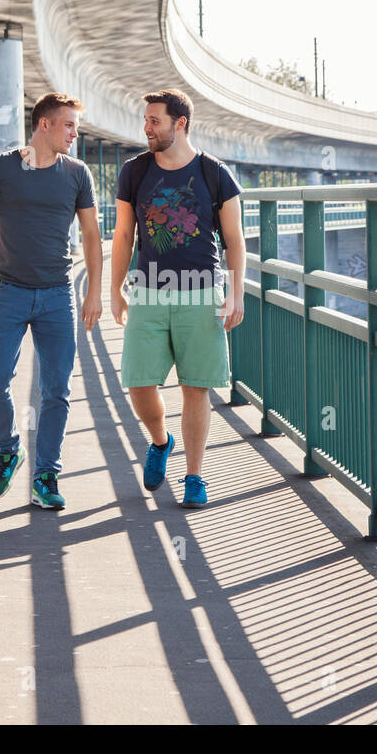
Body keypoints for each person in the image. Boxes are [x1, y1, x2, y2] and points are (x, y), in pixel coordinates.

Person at [0, 93, 103, 510]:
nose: (75, 133)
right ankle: (8, 450)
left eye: (76, 126)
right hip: (7, 290)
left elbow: (91, 235)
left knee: (57, 389)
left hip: (58, 292)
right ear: (45, 125)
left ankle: (46, 475)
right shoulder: (3, 168)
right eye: (69, 125)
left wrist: (93, 290)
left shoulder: (77, 174)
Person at [110, 88, 244, 508]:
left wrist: (235, 293)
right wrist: (114, 289)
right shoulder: (134, 172)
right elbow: (123, 235)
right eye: (146, 120)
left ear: (179, 123)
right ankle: (159, 440)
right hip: (149, 291)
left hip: (202, 292)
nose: (146, 128)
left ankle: (194, 476)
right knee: (137, 381)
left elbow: (234, 241)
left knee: (195, 387)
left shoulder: (215, 174)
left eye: (154, 121)